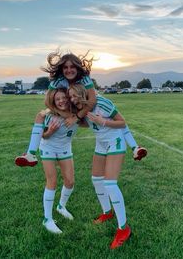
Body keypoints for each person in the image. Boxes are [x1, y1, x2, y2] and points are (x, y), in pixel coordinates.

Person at [15, 50, 147, 167]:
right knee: (40, 115)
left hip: (86, 104)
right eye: (65, 67)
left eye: (72, 66)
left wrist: (77, 117)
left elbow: (92, 100)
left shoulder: (84, 78)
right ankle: (31, 154)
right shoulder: (58, 80)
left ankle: (135, 147)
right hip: (70, 105)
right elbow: (47, 101)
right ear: (61, 69)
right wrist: (66, 115)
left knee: (114, 116)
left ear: (78, 67)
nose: (69, 70)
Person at [68, 83, 132, 249]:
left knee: (110, 184)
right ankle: (107, 212)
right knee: (96, 179)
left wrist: (102, 121)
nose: (72, 99)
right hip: (101, 143)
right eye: (70, 97)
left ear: (83, 93)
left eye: (75, 96)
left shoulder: (102, 103)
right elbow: (86, 123)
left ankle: (123, 229)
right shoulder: (80, 108)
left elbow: (123, 123)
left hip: (115, 140)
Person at [38, 88, 78, 234]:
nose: (61, 101)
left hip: (65, 148)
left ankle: (61, 206)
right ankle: (47, 219)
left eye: (63, 97)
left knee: (70, 181)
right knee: (52, 181)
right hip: (48, 147)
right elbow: (41, 134)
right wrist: (50, 132)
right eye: (57, 99)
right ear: (53, 102)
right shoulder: (49, 115)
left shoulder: (77, 113)